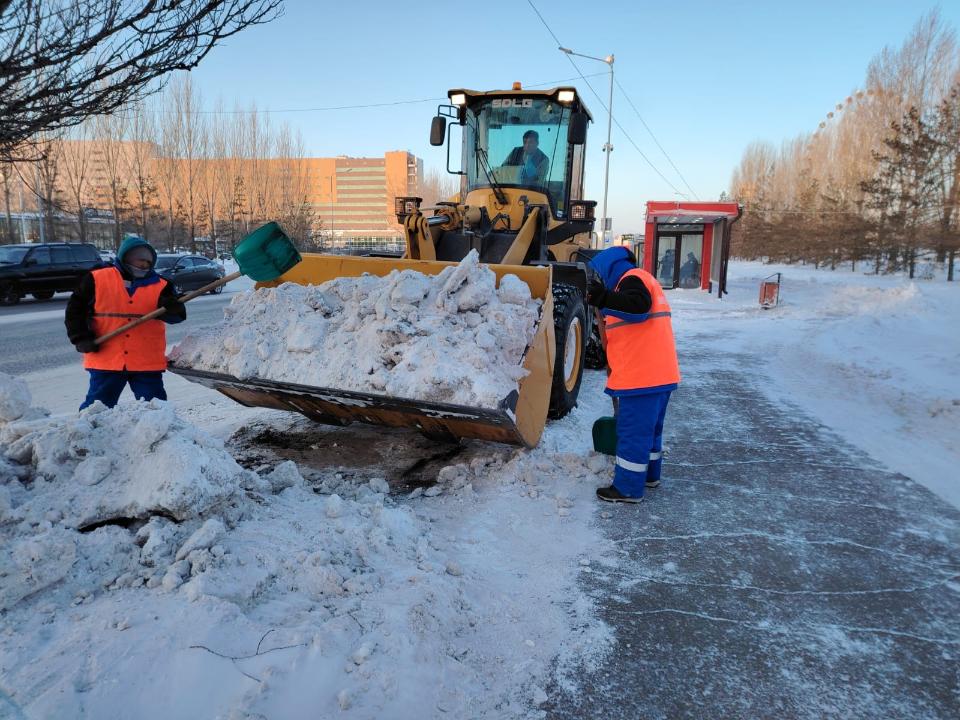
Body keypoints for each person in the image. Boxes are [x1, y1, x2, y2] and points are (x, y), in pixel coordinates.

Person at [587, 246, 681, 503]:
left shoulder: (632, 279)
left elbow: (639, 307)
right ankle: (649, 475)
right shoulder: (642, 279)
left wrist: (604, 298)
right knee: (650, 432)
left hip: (642, 378)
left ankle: (627, 488)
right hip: (660, 375)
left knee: (632, 433)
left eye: (599, 274)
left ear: (609, 268)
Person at [65, 235, 186, 411]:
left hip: (146, 361)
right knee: (96, 409)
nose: (144, 265)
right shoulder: (96, 279)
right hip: (106, 359)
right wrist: (80, 337)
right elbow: (75, 311)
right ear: (125, 258)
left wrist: (174, 308)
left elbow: (177, 317)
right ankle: (85, 437)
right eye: (139, 260)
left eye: (148, 261)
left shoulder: (161, 285)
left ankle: (159, 438)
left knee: (156, 411)